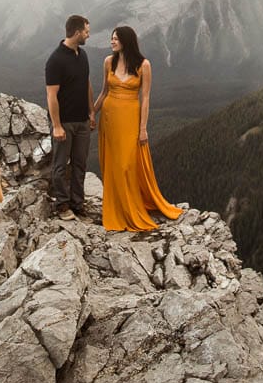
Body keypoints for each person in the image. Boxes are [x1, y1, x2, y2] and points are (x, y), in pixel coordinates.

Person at [92, 25, 182, 232]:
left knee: (126, 164)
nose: (111, 42)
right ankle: (116, 208)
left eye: (115, 39)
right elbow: (104, 91)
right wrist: (92, 114)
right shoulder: (108, 62)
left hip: (130, 118)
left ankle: (130, 208)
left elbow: (146, 98)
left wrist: (143, 129)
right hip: (109, 117)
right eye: (111, 38)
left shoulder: (144, 65)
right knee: (113, 163)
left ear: (126, 40)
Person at [44, 14, 94, 220]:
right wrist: (56, 125)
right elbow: (51, 95)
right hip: (64, 122)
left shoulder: (82, 56)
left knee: (80, 164)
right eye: (86, 32)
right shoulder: (55, 60)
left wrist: (91, 112)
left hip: (82, 120)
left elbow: (87, 84)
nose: (88, 36)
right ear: (76, 32)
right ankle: (62, 205)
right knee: (60, 164)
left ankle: (78, 203)